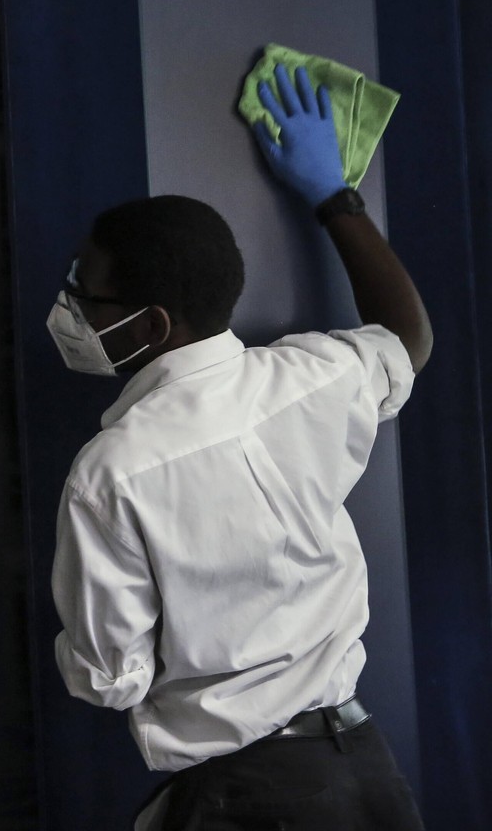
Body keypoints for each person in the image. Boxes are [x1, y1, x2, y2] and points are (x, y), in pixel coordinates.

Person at [47, 64, 432, 830]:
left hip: (246, 799)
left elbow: (108, 679)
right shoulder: (312, 379)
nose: (69, 308)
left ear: (152, 325)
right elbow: (409, 339)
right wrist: (334, 194)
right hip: (366, 772)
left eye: (86, 294)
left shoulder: (113, 472)